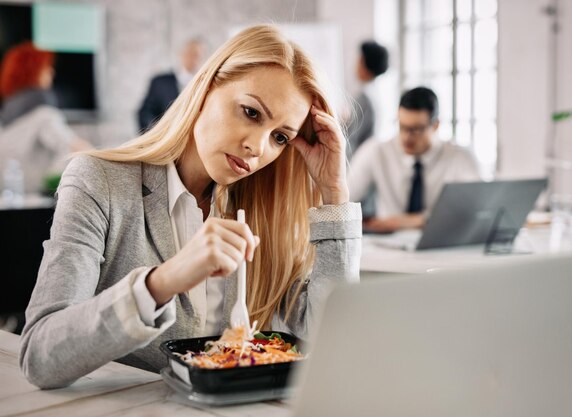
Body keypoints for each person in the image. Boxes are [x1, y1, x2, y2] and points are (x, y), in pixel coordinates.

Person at [19, 25, 361, 389]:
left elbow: (332, 334)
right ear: (207, 87)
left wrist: (334, 190)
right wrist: (163, 281)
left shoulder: (262, 210)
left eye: (280, 137)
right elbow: (40, 356)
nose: (258, 147)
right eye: (251, 112)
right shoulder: (98, 181)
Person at [348, 86, 480, 233]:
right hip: (387, 246)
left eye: (416, 129)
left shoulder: (460, 157)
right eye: (402, 127)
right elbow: (344, 197)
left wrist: (409, 221)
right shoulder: (375, 151)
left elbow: (475, 209)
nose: (406, 137)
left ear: (435, 125)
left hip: (441, 243)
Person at [0, 42, 91, 194]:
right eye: (46, 67)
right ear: (33, 71)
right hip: (39, 205)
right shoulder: (44, 115)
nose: (52, 72)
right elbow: (76, 150)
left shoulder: (5, 117)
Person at [138, 38, 206, 131]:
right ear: (181, 54)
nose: (193, 59)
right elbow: (146, 113)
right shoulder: (160, 82)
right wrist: (157, 134)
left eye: (197, 55)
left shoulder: (205, 84)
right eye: (190, 53)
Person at [345, 40, 388, 158]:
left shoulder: (364, 97)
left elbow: (350, 138)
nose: (355, 65)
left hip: (357, 161)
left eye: (359, 60)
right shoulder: (375, 92)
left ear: (365, 64)